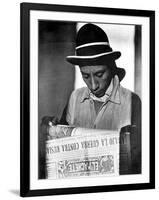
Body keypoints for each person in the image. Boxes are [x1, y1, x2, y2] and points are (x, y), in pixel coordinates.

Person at [41, 23, 141, 174]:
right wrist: (51, 129)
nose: (93, 85)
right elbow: (61, 144)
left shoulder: (132, 101)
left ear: (111, 67)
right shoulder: (74, 98)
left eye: (100, 74)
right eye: (85, 76)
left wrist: (135, 144)